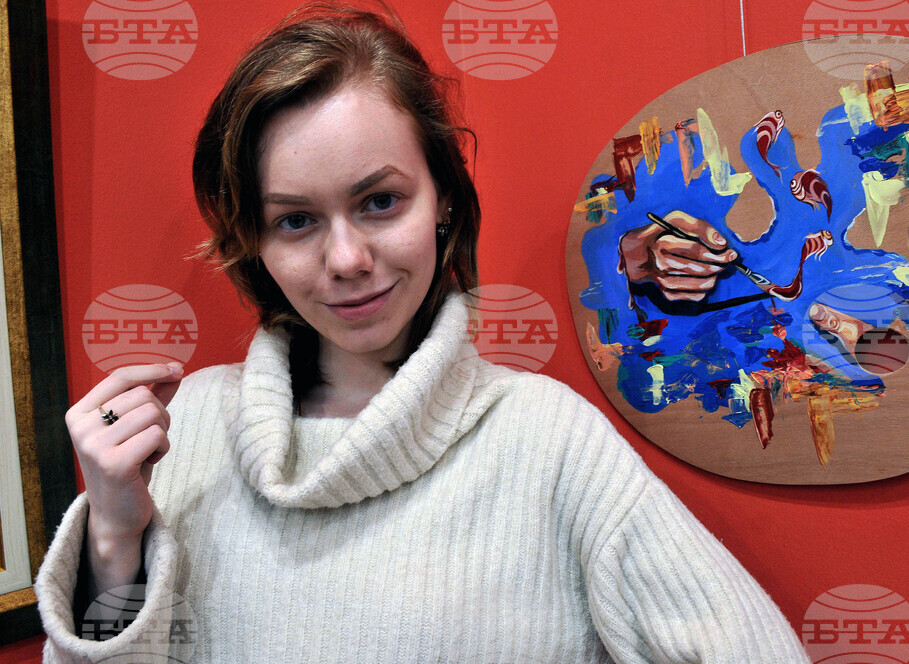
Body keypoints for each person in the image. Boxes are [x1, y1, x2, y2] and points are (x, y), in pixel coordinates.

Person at [36, 3, 811, 662]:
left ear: (442, 197)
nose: (347, 259)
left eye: (379, 202)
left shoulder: (548, 443)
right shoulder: (184, 434)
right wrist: (114, 538)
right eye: (296, 220)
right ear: (255, 241)